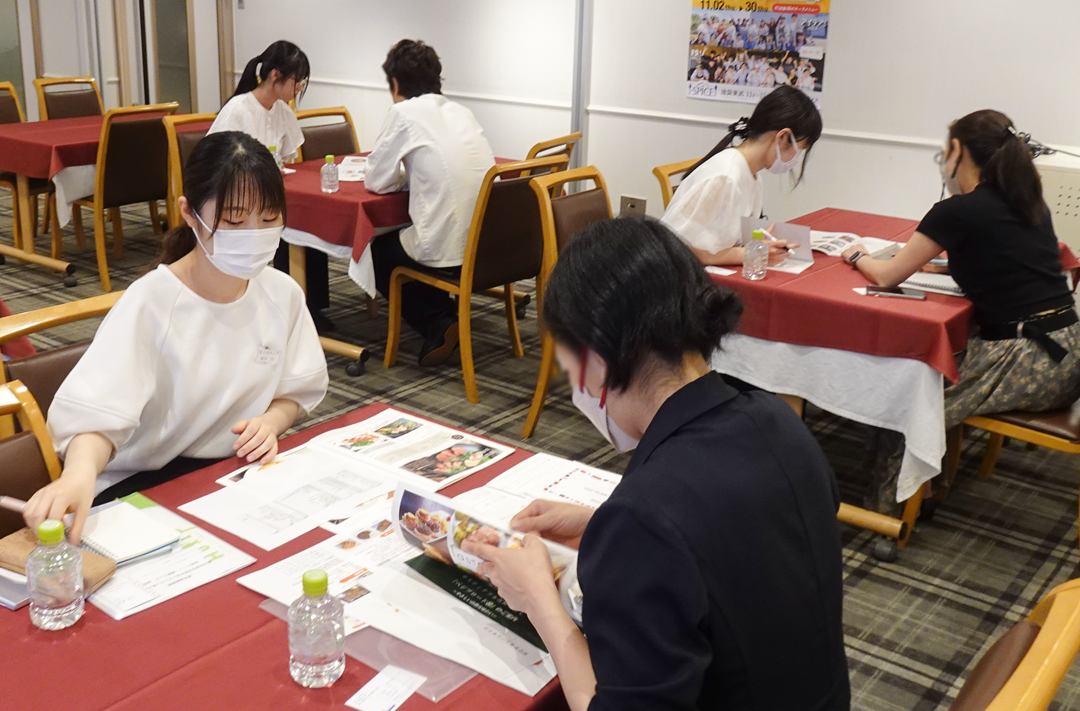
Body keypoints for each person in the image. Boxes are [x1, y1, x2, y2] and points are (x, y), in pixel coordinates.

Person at [461, 217, 850, 711]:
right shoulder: (775, 419)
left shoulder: (647, 514)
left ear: (595, 361)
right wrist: (601, 528)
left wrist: (537, 599)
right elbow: (740, 539)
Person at [24, 132, 329, 543]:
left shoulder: (281, 293)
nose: (254, 234)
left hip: (231, 475)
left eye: (270, 217)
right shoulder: (152, 302)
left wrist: (272, 422)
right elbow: (98, 415)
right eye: (234, 221)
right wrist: (78, 475)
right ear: (189, 213)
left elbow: (297, 390)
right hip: (144, 483)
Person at [840, 109, 1080, 511]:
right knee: (927, 373)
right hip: (1068, 353)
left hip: (1026, 359)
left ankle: (896, 511)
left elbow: (886, 276)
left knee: (903, 400)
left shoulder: (957, 211)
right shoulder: (1029, 202)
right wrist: (941, 265)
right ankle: (929, 486)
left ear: (957, 154)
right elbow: (1005, 260)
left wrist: (857, 254)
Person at [366, 40, 496, 366]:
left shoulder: (403, 113)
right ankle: (446, 314)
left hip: (449, 250)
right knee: (420, 231)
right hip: (489, 247)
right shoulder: (461, 111)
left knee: (376, 252)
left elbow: (376, 180)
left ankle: (438, 320)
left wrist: (403, 175)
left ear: (396, 84)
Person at [207, 40, 331, 327]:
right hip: (237, 192)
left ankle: (312, 305)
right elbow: (218, 161)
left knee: (312, 222)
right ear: (276, 75)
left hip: (268, 189)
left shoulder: (282, 111)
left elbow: (288, 157)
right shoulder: (239, 109)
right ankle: (284, 306)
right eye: (297, 81)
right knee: (287, 223)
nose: (299, 88)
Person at [661, 85, 822, 267]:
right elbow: (683, 248)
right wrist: (751, 252)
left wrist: (759, 243)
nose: (797, 158)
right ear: (783, 137)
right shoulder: (725, 176)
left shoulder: (751, 174)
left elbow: (731, 239)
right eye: (800, 148)